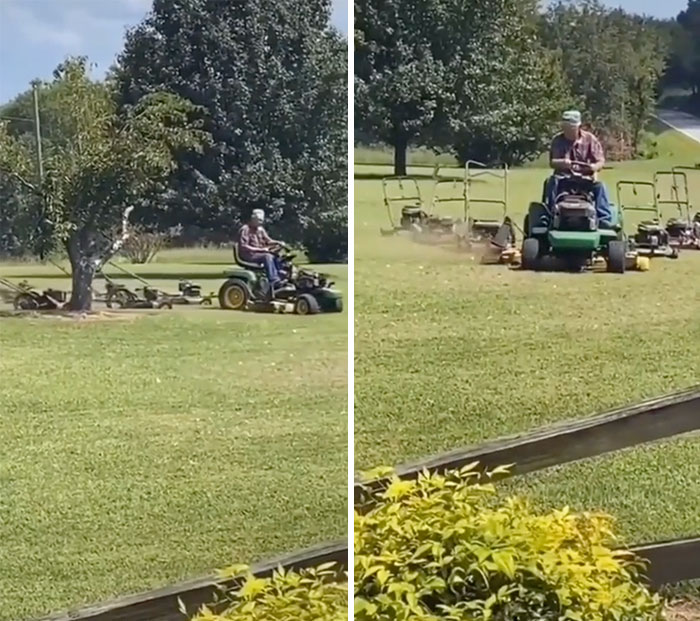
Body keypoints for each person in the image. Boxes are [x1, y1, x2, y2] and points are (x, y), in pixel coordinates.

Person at [545, 110, 613, 227]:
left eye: (570, 128)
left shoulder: (590, 139)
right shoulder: (557, 140)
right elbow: (552, 162)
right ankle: (550, 216)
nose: (567, 131)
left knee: (601, 186)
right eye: (565, 127)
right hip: (564, 179)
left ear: (578, 127)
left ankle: (604, 219)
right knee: (551, 182)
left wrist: (594, 167)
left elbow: (600, 161)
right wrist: (563, 163)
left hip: (585, 179)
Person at [238, 208, 287, 287]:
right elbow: (243, 246)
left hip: (258, 253)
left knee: (277, 255)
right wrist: (261, 250)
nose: (260, 223)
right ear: (253, 219)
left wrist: (278, 243)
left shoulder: (260, 229)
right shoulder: (245, 229)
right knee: (267, 256)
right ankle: (273, 280)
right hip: (249, 255)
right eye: (259, 220)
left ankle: (281, 276)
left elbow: (268, 241)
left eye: (261, 220)